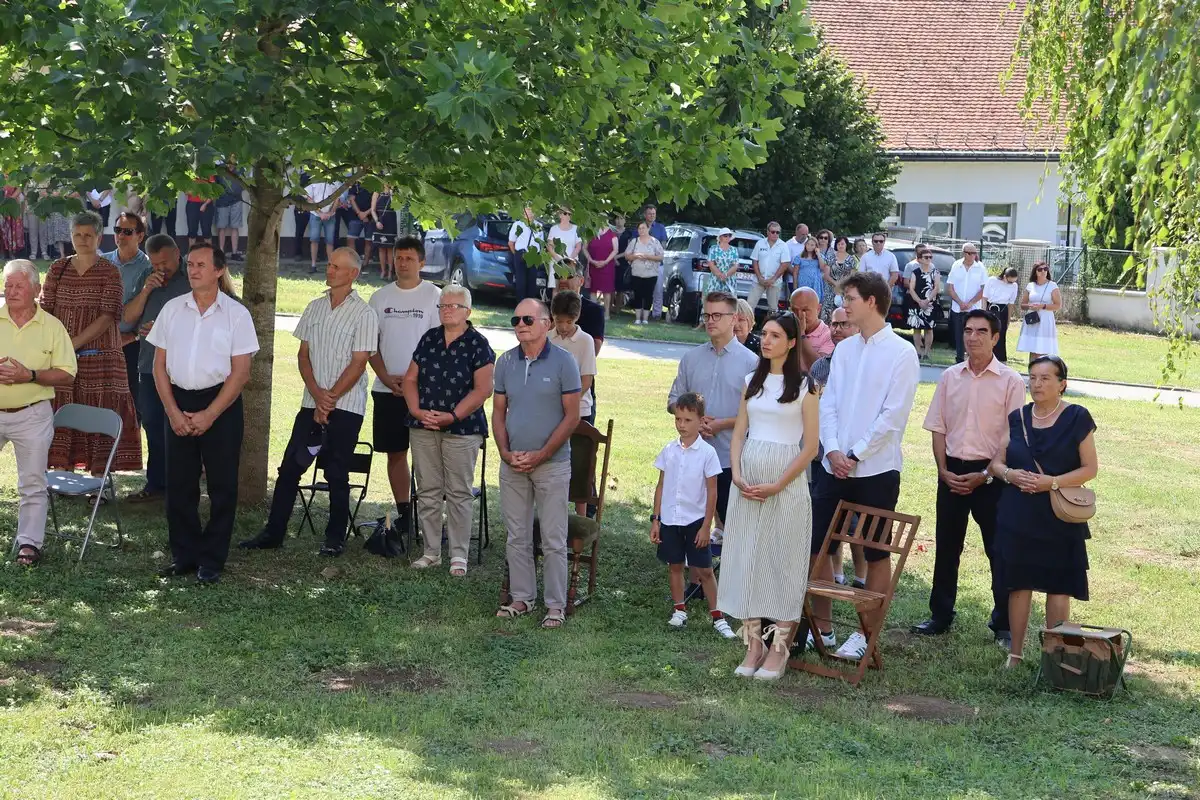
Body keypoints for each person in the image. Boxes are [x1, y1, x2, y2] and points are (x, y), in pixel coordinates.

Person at [809, 271, 920, 659]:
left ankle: (864, 635)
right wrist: (834, 451)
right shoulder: (845, 350)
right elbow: (829, 403)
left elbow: (893, 416)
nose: (844, 305)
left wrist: (855, 454)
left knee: (874, 553)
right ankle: (821, 630)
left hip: (876, 471)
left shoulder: (902, 353)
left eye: (851, 298)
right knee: (817, 547)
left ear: (872, 301)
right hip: (833, 464)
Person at [239, 248, 377, 555]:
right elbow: (303, 356)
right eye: (329, 264)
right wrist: (317, 394)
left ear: (352, 274)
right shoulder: (314, 307)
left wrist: (329, 398)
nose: (329, 270)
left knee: (337, 472)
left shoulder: (365, 313)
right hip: (311, 404)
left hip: (347, 407)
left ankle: (334, 537)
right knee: (290, 467)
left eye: (336, 267)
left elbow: (359, 363)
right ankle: (273, 533)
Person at [147, 243, 258, 584]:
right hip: (177, 400)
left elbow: (241, 373)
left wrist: (210, 414)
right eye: (190, 264)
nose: (193, 270)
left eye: (200, 265)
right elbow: (158, 367)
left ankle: (211, 560)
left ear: (219, 271)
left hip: (220, 404)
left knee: (223, 487)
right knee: (179, 486)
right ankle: (185, 556)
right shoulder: (172, 309)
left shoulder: (236, 314)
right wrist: (173, 413)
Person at [913, 310, 1025, 645]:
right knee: (947, 546)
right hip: (951, 472)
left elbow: (1011, 437)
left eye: (981, 331)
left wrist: (986, 473)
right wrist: (942, 470)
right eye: (968, 330)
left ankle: (1003, 623)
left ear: (995, 338)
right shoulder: (950, 377)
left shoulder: (1011, 381)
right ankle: (940, 614)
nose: (972, 337)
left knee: (998, 549)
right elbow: (937, 427)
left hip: (992, 477)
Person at [720, 312, 821, 680]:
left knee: (783, 562)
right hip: (747, 484)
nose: (766, 341)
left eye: (776, 336)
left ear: (792, 342)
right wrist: (737, 473)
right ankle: (753, 644)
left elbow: (810, 447)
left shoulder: (807, 387)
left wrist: (779, 484)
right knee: (747, 559)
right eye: (764, 334)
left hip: (786, 484)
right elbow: (738, 435)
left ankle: (779, 650)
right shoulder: (751, 381)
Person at [989, 356, 1097, 668]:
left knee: (1058, 585)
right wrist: (1010, 475)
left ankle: (1055, 657)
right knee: (1018, 584)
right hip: (1019, 514)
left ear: (1062, 384)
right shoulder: (1017, 417)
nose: (1037, 384)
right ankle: (1016, 655)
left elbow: (1090, 468)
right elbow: (996, 463)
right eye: (1033, 377)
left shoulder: (1077, 417)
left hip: (1058, 514)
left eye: (1045, 378)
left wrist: (1051, 482)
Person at [493, 298, 582, 629]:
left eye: (527, 319)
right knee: (516, 534)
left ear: (547, 323)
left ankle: (555, 606)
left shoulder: (564, 362)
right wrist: (505, 452)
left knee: (553, 538)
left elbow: (572, 416)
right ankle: (521, 598)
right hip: (513, 463)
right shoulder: (504, 362)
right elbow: (498, 413)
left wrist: (542, 454)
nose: (520, 325)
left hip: (553, 463)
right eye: (515, 319)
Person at [403, 284, 495, 576]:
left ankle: (458, 555)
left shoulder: (478, 344)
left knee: (458, 492)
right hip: (423, 425)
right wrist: (417, 411)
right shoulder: (429, 338)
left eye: (452, 306)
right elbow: (409, 379)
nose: (446, 311)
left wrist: (452, 416)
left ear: (467, 311)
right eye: (442, 306)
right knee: (428, 490)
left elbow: (483, 390)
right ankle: (431, 552)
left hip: (463, 429)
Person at [40, 211, 141, 475]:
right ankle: (63, 472)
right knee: (63, 407)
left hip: (102, 357)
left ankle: (100, 477)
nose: (82, 240)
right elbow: (46, 311)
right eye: (77, 235)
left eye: (88, 235)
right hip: (63, 357)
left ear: (98, 237)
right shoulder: (57, 269)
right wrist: (57, 346)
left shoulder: (110, 271)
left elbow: (109, 315)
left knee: (101, 409)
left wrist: (72, 343)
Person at [0, 259, 78, 567]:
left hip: (32, 413)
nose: (12, 291)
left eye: (19, 285)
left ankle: (29, 544)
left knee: (32, 482)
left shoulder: (52, 327)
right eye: (8, 285)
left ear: (36, 289)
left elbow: (67, 374)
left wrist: (29, 375)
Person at [668, 292, 759, 547]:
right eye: (707, 315)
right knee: (692, 528)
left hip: (730, 459)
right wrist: (692, 419)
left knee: (734, 529)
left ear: (734, 318)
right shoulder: (691, 358)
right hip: (692, 456)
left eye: (717, 315)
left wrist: (722, 424)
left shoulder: (751, 363)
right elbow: (674, 399)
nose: (710, 320)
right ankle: (695, 582)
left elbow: (756, 414)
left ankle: (730, 584)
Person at [368, 236, 442, 538]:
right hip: (387, 390)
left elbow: (440, 346)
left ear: (422, 262)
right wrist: (386, 377)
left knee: (427, 457)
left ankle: (430, 515)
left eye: (409, 258)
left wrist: (414, 381)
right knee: (395, 453)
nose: (402, 263)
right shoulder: (379, 298)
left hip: (425, 392)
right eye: (399, 257)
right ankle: (405, 515)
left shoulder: (435, 297)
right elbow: (369, 346)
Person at [650, 392, 737, 639]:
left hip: (695, 522)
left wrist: (705, 526)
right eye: (678, 419)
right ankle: (679, 609)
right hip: (670, 520)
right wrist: (656, 520)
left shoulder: (707, 454)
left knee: (705, 570)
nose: (681, 425)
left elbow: (712, 492)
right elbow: (660, 486)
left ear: (701, 421)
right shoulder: (669, 451)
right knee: (674, 566)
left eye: (688, 420)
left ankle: (718, 616)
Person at [122, 234, 192, 503]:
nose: (161, 268)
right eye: (155, 263)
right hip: (150, 365)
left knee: (179, 425)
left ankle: (183, 484)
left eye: (165, 262)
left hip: (183, 367)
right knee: (152, 422)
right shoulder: (147, 278)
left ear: (177, 253)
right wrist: (146, 291)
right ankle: (157, 484)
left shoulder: (192, 277)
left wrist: (166, 331)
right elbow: (127, 322)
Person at [806, 306, 866, 588]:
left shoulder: (865, 364)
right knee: (828, 523)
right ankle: (835, 574)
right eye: (833, 324)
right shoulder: (821, 366)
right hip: (823, 456)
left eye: (844, 324)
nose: (837, 329)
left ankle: (862, 578)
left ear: (857, 327)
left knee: (857, 526)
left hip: (858, 458)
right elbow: (815, 408)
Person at [99, 211, 152, 407]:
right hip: (100, 341)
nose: (121, 236)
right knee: (100, 399)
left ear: (140, 235)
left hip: (130, 344)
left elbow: (153, 310)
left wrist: (135, 336)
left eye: (127, 231)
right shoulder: (101, 263)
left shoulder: (148, 267)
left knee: (130, 402)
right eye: (117, 230)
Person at [550, 290, 597, 426]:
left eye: (569, 322)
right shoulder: (547, 339)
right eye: (559, 321)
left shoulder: (586, 340)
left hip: (579, 409)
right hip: (550, 410)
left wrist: (568, 403)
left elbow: (586, 380)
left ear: (577, 317)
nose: (563, 327)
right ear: (553, 316)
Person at [946, 242, 988, 363]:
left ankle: (973, 360)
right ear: (964, 253)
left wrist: (970, 303)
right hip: (957, 308)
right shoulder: (956, 265)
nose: (972, 256)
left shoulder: (980, 268)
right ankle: (959, 361)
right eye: (970, 253)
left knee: (973, 336)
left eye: (974, 253)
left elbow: (984, 288)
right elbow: (950, 287)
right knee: (959, 336)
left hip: (973, 308)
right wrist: (960, 302)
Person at [1017, 261, 1061, 363]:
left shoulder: (1052, 285)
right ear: (1035, 272)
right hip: (1033, 318)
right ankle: (1032, 372)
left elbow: (1057, 305)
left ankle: (1043, 371)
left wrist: (1043, 306)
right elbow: (1022, 305)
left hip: (1045, 319)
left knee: (1043, 348)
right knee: (1033, 347)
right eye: (1040, 269)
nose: (1043, 272)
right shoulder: (1030, 285)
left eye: (1045, 269)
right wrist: (1030, 306)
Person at [624, 221, 665, 325]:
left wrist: (648, 256)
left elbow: (660, 257)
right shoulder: (634, 241)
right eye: (639, 228)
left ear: (648, 229)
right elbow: (627, 256)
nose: (641, 230)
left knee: (648, 295)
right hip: (637, 273)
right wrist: (636, 256)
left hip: (651, 274)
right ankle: (637, 318)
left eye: (643, 228)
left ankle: (645, 319)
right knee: (637, 294)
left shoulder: (655, 242)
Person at [787, 287, 835, 372]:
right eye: (794, 310)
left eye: (805, 310)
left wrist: (801, 334)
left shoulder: (829, 335)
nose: (799, 315)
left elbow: (819, 370)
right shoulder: (785, 329)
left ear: (818, 309)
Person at [907, 248, 941, 363]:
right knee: (916, 329)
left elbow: (936, 287)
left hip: (930, 304)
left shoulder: (935, 272)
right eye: (926, 257)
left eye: (930, 257)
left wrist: (927, 300)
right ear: (920, 259)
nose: (928, 259)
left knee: (929, 329)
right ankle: (918, 351)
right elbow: (911, 288)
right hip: (916, 303)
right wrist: (919, 301)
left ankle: (926, 352)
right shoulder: (915, 272)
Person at [748, 221, 790, 312]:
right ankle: (747, 326)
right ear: (767, 232)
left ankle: (771, 326)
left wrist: (773, 279)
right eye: (773, 232)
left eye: (777, 232)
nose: (775, 234)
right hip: (758, 280)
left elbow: (785, 264)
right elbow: (755, 260)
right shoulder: (760, 243)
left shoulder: (783, 246)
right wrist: (759, 277)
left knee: (773, 309)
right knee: (749, 305)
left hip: (774, 282)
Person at [508, 205, 545, 302]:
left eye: (530, 211)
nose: (528, 213)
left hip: (533, 255)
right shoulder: (518, 224)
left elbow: (541, 243)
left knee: (532, 283)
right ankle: (521, 306)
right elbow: (511, 242)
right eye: (526, 211)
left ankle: (530, 307)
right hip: (521, 253)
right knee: (521, 283)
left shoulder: (538, 226)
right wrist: (517, 254)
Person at [984, 267, 1020, 363]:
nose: (1012, 284)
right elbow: (984, 297)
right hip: (991, 308)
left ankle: (1000, 360)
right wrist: (983, 313)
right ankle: (986, 356)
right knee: (988, 334)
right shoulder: (992, 280)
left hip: (1003, 310)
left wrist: (1008, 320)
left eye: (1013, 281)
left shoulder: (1014, 286)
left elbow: (1011, 303)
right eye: (1010, 281)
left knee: (1001, 335)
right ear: (1004, 276)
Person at [584, 219, 619, 317]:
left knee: (607, 290)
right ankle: (593, 313)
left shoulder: (612, 234)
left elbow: (615, 250)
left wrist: (606, 261)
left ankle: (606, 313)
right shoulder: (591, 233)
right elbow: (584, 248)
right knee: (593, 289)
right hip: (593, 265)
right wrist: (591, 260)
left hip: (607, 266)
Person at [305, 178, 340, 272]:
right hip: (315, 214)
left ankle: (330, 265)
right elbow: (309, 198)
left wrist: (330, 212)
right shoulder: (313, 179)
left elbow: (337, 198)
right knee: (314, 239)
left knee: (329, 240)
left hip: (330, 216)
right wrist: (320, 213)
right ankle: (313, 265)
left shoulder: (334, 180)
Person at [821, 235, 857, 322]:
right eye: (839, 244)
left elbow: (852, 276)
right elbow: (826, 275)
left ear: (846, 245)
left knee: (845, 312)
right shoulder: (830, 257)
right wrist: (836, 284)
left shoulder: (851, 259)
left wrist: (842, 286)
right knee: (828, 314)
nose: (840, 246)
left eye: (842, 244)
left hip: (845, 289)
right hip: (830, 289)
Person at [643, 204, 669, 319]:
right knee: (644, 289)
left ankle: (656, 314)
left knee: (658, 289)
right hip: (642, 263)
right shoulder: (641, 227)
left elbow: (663, 245)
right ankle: (644, 313)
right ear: (645, 214)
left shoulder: (660, 228)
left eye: (654, 214)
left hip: (657, 264)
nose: (652, 216)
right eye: (650, 213)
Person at [214, 170, 245, 261]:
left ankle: (234, 253)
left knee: (235, 227)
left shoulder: (240, 168)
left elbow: (245, 183)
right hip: (222, 201)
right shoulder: (220, 169)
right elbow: (215, 184)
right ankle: (221, 253)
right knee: (221, 227)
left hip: (237, 200)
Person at [345, 180, 375, 269]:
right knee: (350, 239)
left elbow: (376, 201)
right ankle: (354, 263)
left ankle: (365, 263)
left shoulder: (375, 183)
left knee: (368, 240)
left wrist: (366, 213)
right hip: (355, 216)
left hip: (371, 216)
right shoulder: (355, 183)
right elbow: (351, 199)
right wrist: (359, 213)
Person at [702, 228, 740, 296]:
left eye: (729, 235)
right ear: (720, 237)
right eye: (725, 235)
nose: (728, 237)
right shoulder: (713, 249)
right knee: (714, 301)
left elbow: (735, 265)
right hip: (715, 280)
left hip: (729, 280)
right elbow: (711, 264)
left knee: (728, 303)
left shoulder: (734, 250)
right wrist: (720, 275)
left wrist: (726, 275)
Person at [792, 235, 826, 305]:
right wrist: (795, 286)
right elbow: (795, 272)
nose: (809, 246)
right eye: (808, 244)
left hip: (815, 284)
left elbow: (822, 268)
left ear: (816, 246)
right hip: (803, 283)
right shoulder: (799, 257)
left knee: (814, 303)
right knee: (803, 303)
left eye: (812, 245)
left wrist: (818, 254)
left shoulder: (820, 256)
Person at [546, 207, 581, 274]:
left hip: (572, 263)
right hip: (556, 263)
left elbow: (578, 247)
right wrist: (559, 261)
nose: (567, 216)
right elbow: (550, 247)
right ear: (560, 215)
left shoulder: (576, 228)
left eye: (569, 214)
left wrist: (568, 261)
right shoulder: (554, 229)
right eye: (565, 213)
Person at [183, 178, 216, 248]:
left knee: (206, 231)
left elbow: (213, 192)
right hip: (192, 204)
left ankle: (209, 255)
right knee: (192, 230)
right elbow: (186, 191)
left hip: (207, 204)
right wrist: (202, 189)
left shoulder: (208, 172)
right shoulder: (190, 174)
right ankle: (191, 255)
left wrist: (205, 204)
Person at [1, 184, 25, 259]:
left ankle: (12, 253)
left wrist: (10, 199)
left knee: (13, 231)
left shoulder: (15, 176)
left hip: (13, 208)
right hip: (2, 207)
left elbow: (20, 189)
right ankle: (3, 253)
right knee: (2, 230)